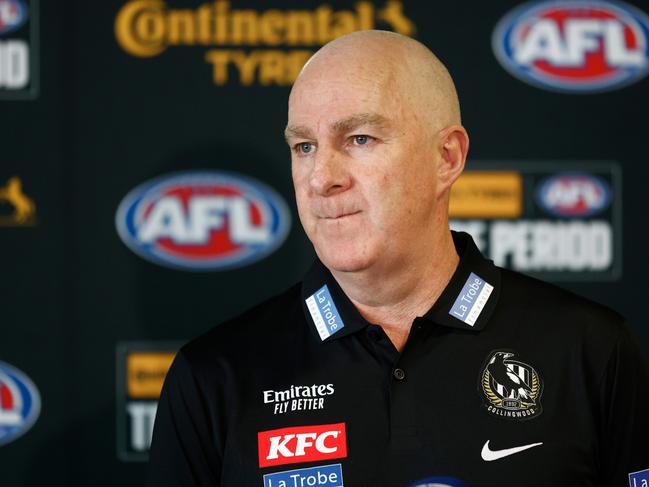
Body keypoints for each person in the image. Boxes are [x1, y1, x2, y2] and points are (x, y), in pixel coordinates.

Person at [146, 30, 649, 487]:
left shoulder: (592, 351)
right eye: (304, 146)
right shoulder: (213, 375)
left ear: (446, 158)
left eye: (359, 139)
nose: (322, 177)